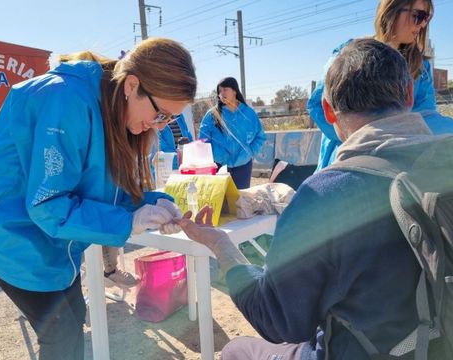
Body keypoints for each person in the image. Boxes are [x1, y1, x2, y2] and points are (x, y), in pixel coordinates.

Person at [178, 39, 438, 359]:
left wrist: (221, 245)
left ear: (328, 111)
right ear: (410, 96)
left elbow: (277, 320)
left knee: (236, 350)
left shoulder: (324, 195)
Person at [0, 37, 196, 360]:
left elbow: (105, 188)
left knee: (73, 321)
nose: (159, 125)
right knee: (61, 335)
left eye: (169, 119)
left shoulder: (114, 107)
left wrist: (151, 203)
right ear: (132, 85)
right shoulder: (67, 102)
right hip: (9, 230)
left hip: (52, 234)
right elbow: (48, 204)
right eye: (161, 114)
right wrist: (129, 222)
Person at [307, 0, 453, 171]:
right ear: (392, 10)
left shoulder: (420, 68)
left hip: (397, 160)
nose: (422, 25)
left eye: (427, 18)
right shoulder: (350, 54)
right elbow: (318, 105)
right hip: (347, 159)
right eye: (418, 16)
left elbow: (428, 117)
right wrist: (360, 138)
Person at [199, 77, 266, 189]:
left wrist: (249, 152)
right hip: (219, 166)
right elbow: (203, 140)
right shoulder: (212, 115)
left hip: (243, 166)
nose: (222, 93)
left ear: (234, 90)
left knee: (241, 200)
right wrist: (216, 155)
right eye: (220, 91)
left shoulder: (248, 113)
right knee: (220, 201)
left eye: (225, 89)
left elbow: (260, 137)